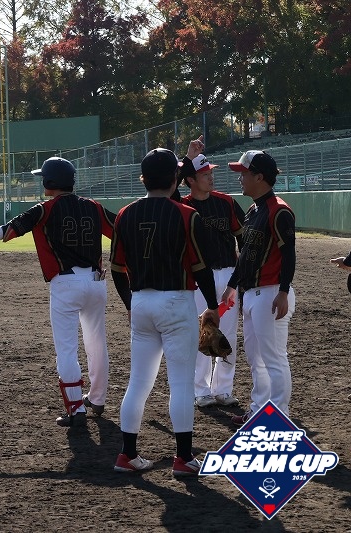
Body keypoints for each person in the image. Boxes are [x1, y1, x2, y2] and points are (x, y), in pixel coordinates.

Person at [0, 157, 116, 427]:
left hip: (66, 285)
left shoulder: (44, 209)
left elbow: (8, 231)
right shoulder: (93, 207)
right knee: (96, 343)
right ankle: (97, 399)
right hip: (97, 282)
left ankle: (76, 410)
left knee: (67, 350)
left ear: (50, 181)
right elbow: (120, 230)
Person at [109, 147, 220, 476]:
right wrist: (212, 306)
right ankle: (183, 459)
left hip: (141, 302)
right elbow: (201, 269)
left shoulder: (125, 214)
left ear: (143, 178)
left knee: (138, 382)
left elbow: (116, 269)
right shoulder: (187, 214)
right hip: (176, 302)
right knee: (181, 383)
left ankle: (128, 455)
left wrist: (130, 305)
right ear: (175, 179)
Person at [222, 150, 296, 425]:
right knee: (256, 359)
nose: (240, 178)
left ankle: (279, 416)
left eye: (244, 173)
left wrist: (284, 291)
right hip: (252, 294)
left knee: (274, 358)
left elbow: (289, 255)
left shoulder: (279, 211)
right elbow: (245, 255)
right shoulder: (254, 210)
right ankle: (259, 409)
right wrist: (232, 286)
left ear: (259, 177)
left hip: (272, 292)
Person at [180, 153, 246, 408]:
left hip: (228, 274)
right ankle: (201, 390)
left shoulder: (226, 202)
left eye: (210, 172)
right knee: (202, 333)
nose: (211, 177)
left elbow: (244, 239)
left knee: (227, 333)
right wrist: (187, 156)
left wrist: (237, 278)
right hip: (199, 279)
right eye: (205, 174)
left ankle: (223, 389)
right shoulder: (182, 205)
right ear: (190, 180)